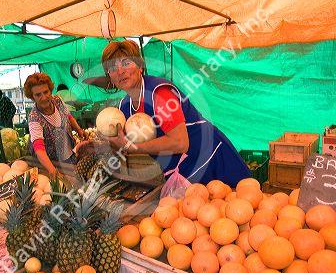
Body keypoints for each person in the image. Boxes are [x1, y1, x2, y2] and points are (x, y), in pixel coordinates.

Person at [101, 40, 251, 187]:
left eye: (126, 63)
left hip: (211, 161)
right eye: (112, 67)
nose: (120, 71)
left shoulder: (159, 94)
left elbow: (180, 143)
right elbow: (128, 146)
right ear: (110, 76)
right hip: (183, 171)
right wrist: (103, 144)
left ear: (140, 66)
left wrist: (133, 147)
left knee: (236, 206)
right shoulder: (124, 107)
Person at [24, 73, 87, 175]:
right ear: (32, 97)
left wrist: (79, 130)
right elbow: (39, 149)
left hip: (68, 153)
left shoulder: (57, 100)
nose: (44, 97)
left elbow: (68, 116)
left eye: (46, 92)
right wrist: (53, 171)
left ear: (50, 90)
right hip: (48, 163)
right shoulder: (34, 118)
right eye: (38, 95)